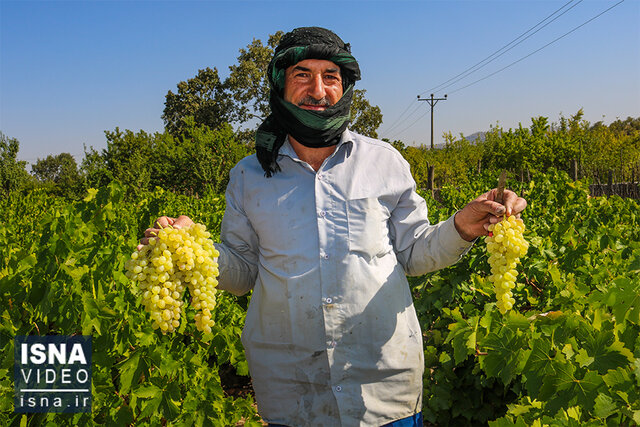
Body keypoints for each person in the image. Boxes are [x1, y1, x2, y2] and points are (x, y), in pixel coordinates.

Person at [139, 27, 526, 427]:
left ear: (345, 87)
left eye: (331, 77)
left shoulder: (385, 163)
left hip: (383, 388)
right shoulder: (248, 176)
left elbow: (413, 252)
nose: (318, 90)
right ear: (280, 86)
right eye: (302, 75)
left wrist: (463, 224)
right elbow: (242, 271)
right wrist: (192, 248)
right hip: (290, 391)